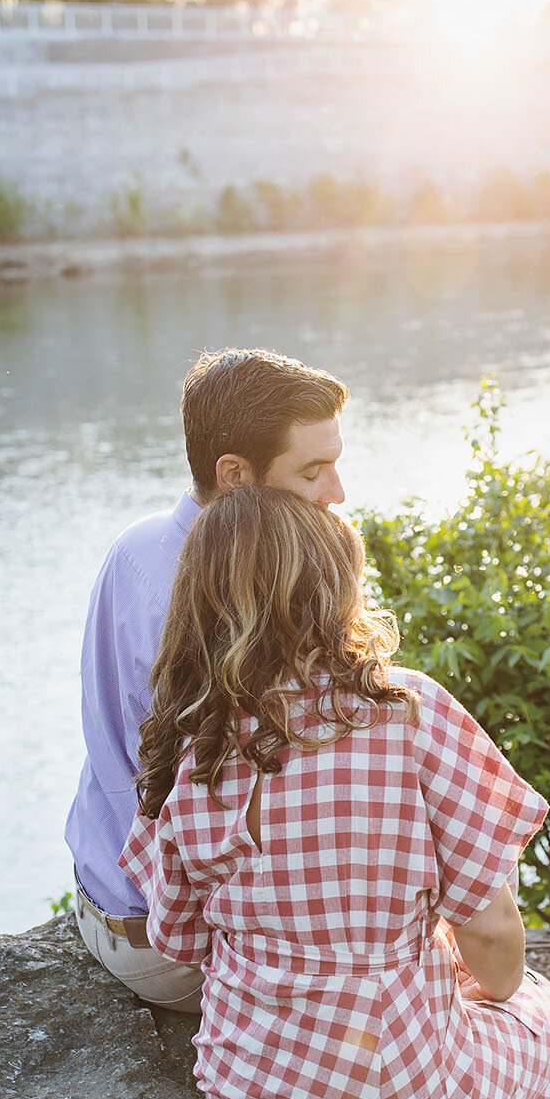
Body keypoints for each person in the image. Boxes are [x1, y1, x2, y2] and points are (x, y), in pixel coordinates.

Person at [117, 486, 550, 1099]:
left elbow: (178, 938)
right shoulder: (411, 710)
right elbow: (489, 930)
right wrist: (495, 993)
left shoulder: (191, 746)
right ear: (333, 590)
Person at [66, 348, 348, 1013]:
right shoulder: (228, 613)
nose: (337, 493)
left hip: (102, 891)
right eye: (314, 471)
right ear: (234, 475)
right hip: (171, 943)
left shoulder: (139, 543)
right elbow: (257, 831)